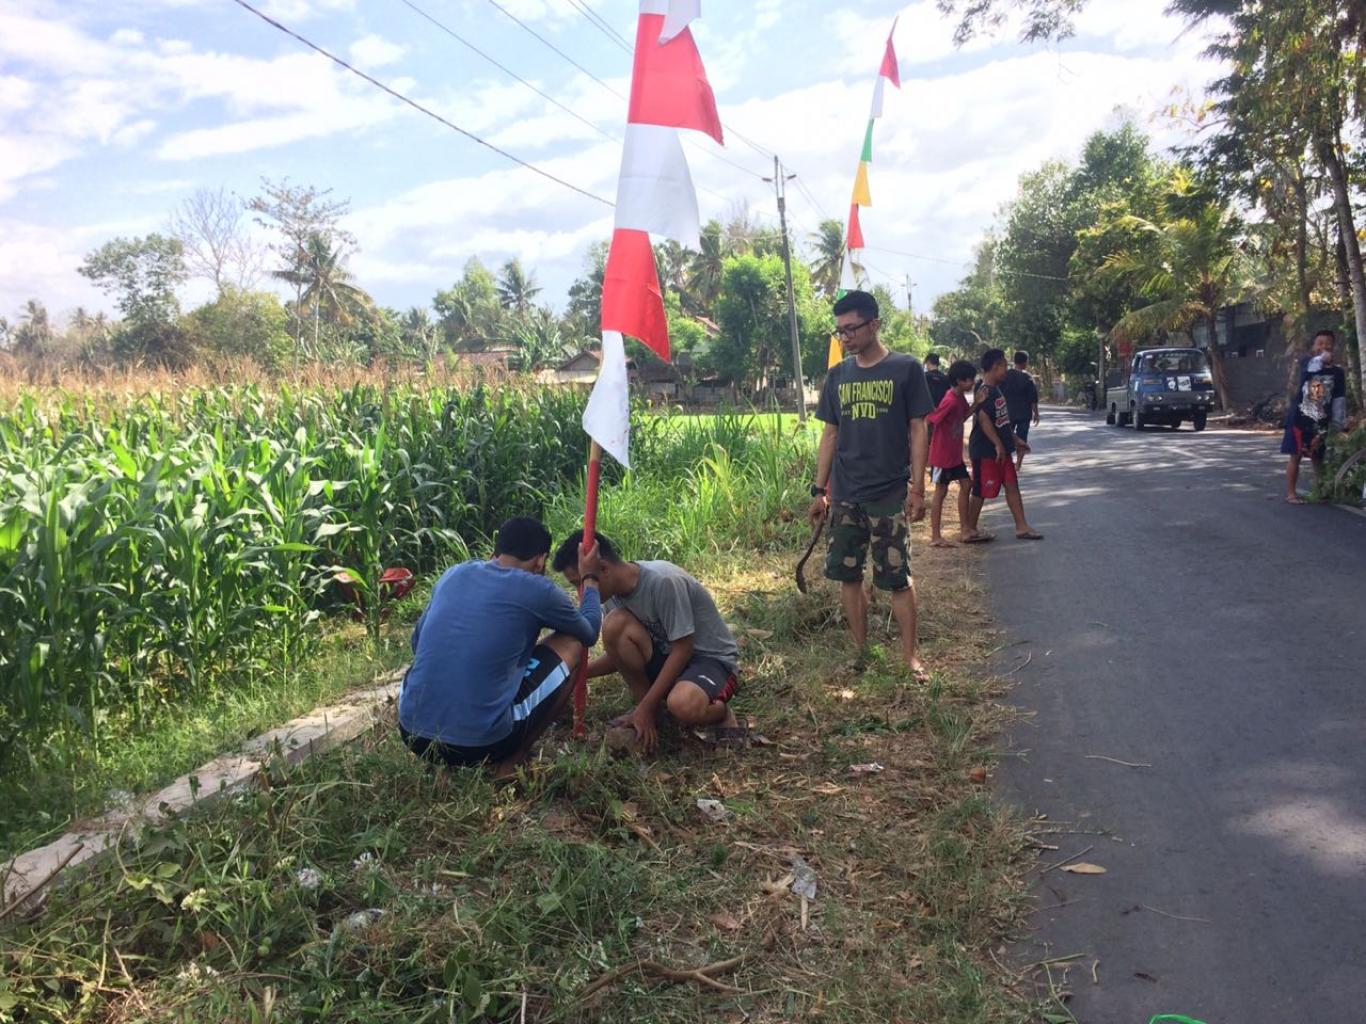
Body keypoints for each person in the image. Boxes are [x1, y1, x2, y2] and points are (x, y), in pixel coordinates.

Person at [397, 517, 602, 776]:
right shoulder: (538, 588)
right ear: (540, 561)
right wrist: (591, 578)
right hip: (484, 744)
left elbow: (417, 642)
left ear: (496, 550)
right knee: (572, 643)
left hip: (412, 733)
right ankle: (512, 760)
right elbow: (590, 633)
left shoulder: (455, 574)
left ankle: (443, 759)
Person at [808, 289, 934, 680]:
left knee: (897, 576)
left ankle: (910, 657)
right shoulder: (837, 375)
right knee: (847, 574)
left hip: (889, 493)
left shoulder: (906, 369)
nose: (845, 337)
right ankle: (861, 652)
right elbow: (830, 434)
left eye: (852, 328)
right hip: (846, 494)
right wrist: (818, 490)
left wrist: (917, 489)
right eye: (840, 331)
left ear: (874, 324)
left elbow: (919, 428)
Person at [553, 531, 743, 753]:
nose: (581, 594)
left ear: (603, 569)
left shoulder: (663, 582)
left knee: (683, 705)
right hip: (669, 658)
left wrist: (645, 707)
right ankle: (652, 712)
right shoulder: (611, 595)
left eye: (583, 583)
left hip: (710, 661)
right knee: (614, 625)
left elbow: (683, 649)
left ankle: (721, 713)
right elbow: (619, 655)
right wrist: (576, 675)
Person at [964, 349, 1044, 542]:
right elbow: (983, 419)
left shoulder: (997, 389)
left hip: (1002, 449)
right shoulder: (983, 390)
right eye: (1003, 366)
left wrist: (1016, 440)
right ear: (994, 367)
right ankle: (970, 530)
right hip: (985, 450)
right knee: (981, 490)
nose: (1006, 370)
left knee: (1011, 484)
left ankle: (1022, 526)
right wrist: (998, 444)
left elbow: (1002, 421)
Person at [1283, 329, 1348, 505]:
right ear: (1313, 346)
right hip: (1300, 419)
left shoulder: (1338, 372)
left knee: (1318, 457)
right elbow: (1311, 368)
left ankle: (1321, 491)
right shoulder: (1307, 362)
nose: (1324, 346)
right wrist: (1321, 359)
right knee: (1295, 456)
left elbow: (1339, 398)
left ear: (1333, 346)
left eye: (1328, 343)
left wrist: (1338, 422)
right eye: (1320, 343)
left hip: (1321, 421)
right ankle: (1291, 494)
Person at [927, 359, 982, 547]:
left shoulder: (959, 399)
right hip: (942, 457)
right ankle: (935, 536)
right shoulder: (950, 400)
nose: (972, 383)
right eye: (969, 380)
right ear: (959, 381)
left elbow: (963, 416)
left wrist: (976, 404)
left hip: (954, 456)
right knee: (940, 492)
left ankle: (965, 529)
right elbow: (932, 419)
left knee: (966, 485)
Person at [1001, 350, 1040, 470]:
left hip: (1008, 413)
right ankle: (1018, 464)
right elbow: (1033, 398)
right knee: (1022, 439)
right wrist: (1036, 413)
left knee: (1007, 437)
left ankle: (1006, 462)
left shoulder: (1005, 375)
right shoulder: (1027, 377)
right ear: (1025, 362)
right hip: (1024, 413)